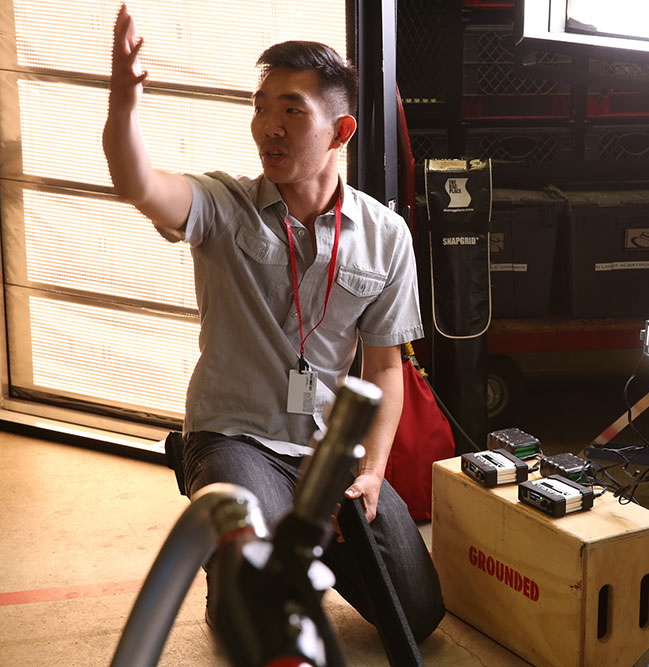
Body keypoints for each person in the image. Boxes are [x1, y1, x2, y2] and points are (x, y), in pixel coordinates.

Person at [103, 4, 445, 642]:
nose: (269, 127)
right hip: (238, 434)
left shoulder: (386, 235)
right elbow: (139, 183)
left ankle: (289, 542)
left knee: (417, 616)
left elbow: (384, 368)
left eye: (292, 110)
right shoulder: (223, 206)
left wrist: (371, 471)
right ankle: (231, 549)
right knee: (259, 622)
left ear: (340, 132)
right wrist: (124, 105)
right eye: (261, 108)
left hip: (327, 450)